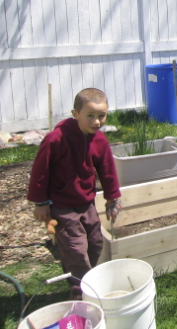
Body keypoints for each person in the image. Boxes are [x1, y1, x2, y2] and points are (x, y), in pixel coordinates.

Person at [28, 88, 123, 300]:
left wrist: (112, 198)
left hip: (86, 202)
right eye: (90, 115)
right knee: (76, 248)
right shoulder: (56, 139)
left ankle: (80, 276)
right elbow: (40, 171)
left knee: (96, 242)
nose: (97, 121)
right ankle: (80, 294)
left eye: (102, 116)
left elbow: (107, 171)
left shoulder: (99, 141)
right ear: (75, 114)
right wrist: (41, 203)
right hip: (61, 204)